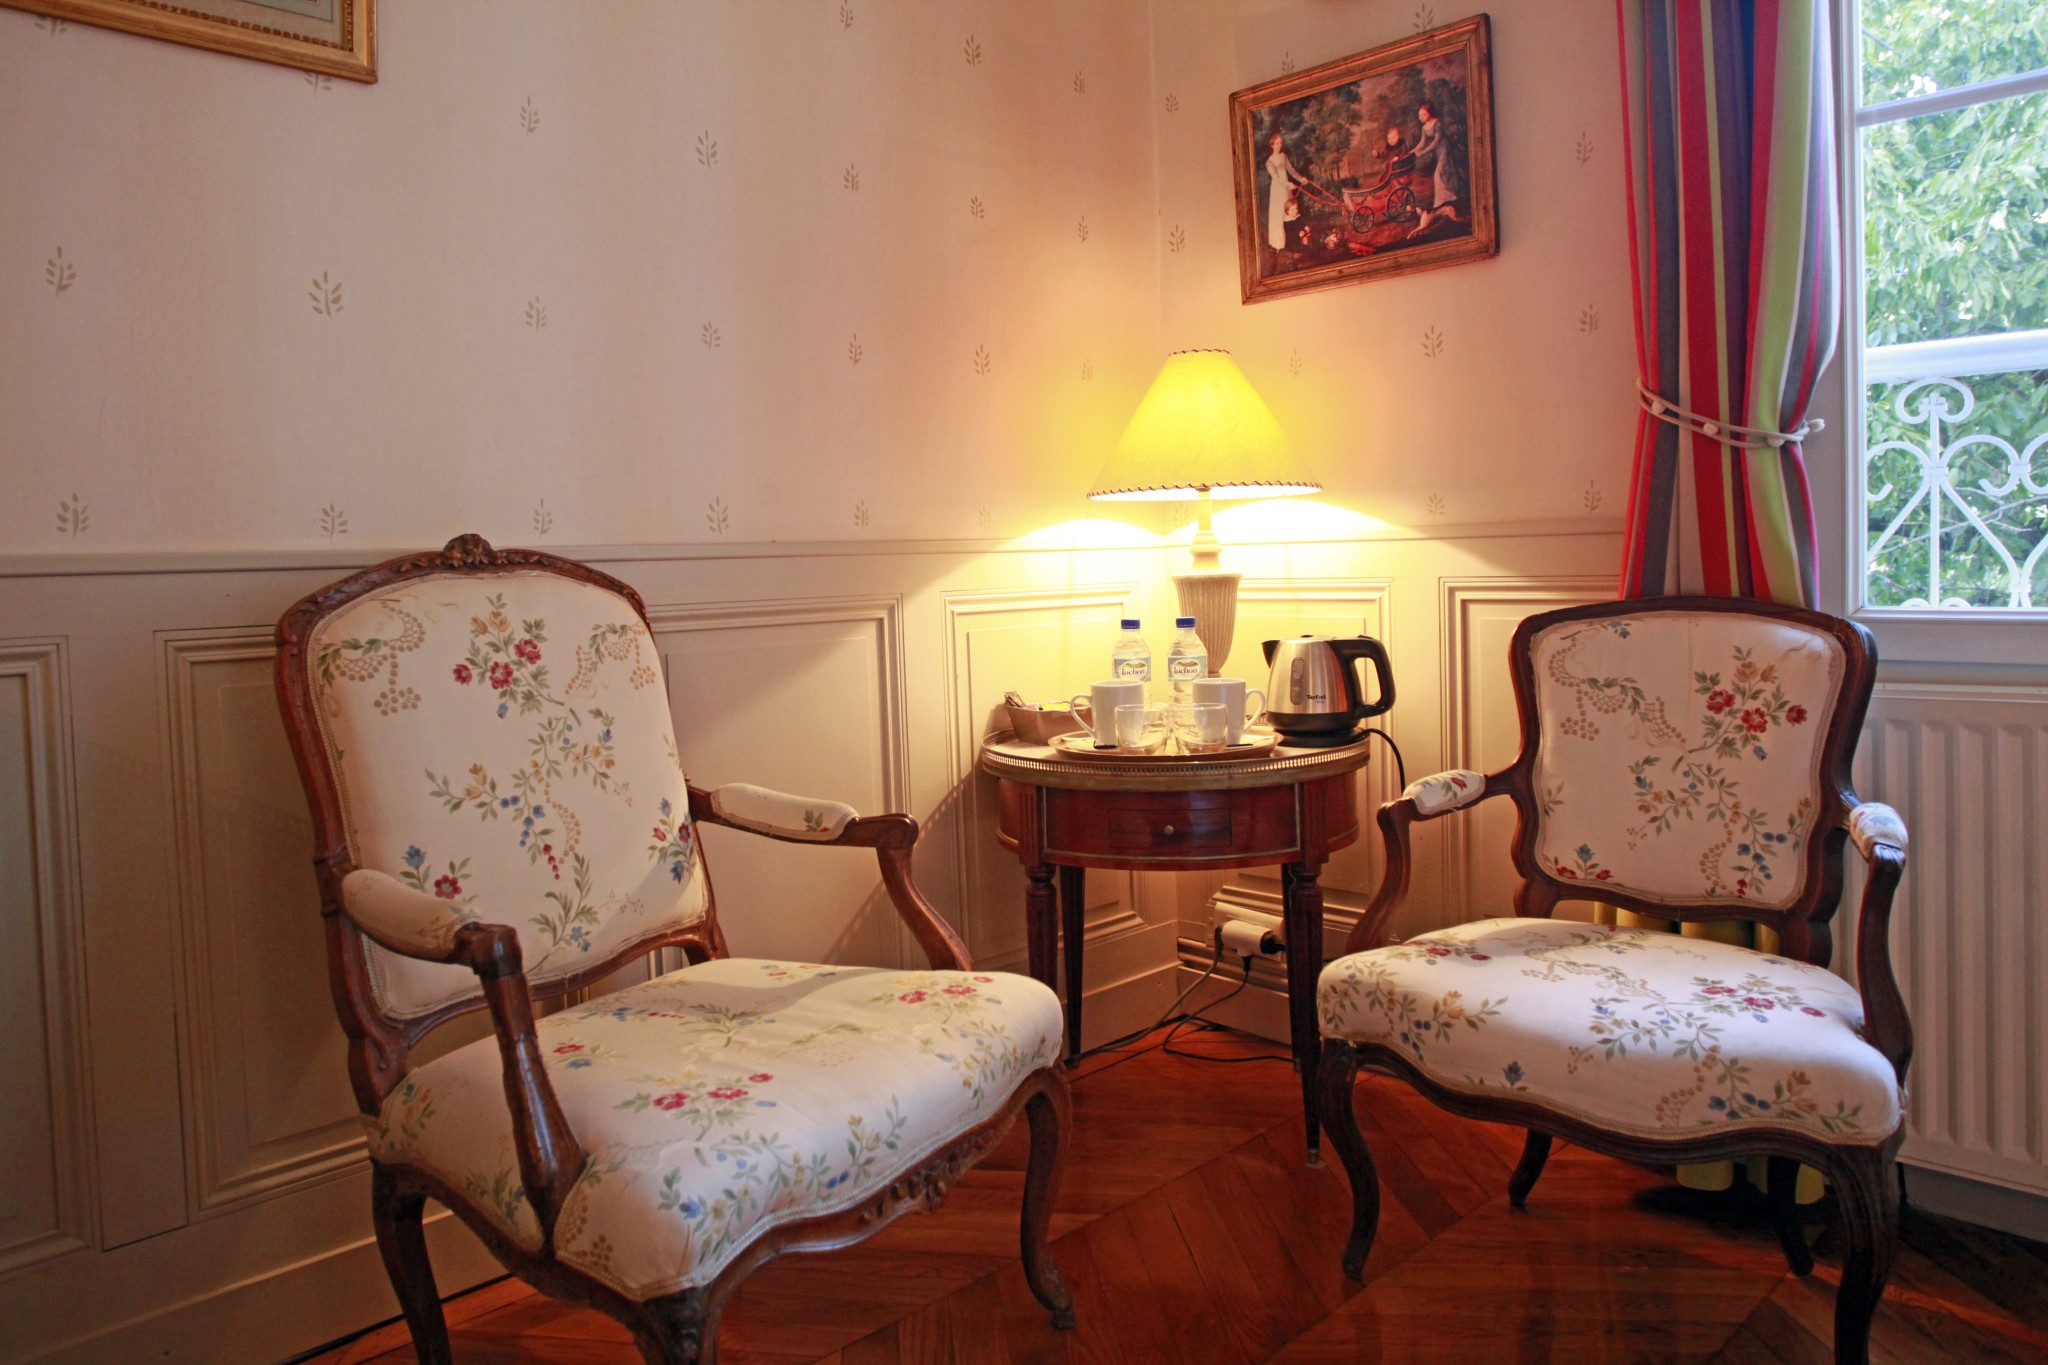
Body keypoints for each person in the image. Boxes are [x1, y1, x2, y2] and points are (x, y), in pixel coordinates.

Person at [1406, 100, 1466, 239]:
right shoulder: (1424, 127)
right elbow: (1422, 142)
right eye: (1419, 115)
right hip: (1436, 152)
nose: (1421, 117)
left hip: (1444, 150)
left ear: (1430, 113)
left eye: (1423, 114)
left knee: (1439, 174)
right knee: (1438, 174)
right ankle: (1444, 202)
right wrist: (1414, 150)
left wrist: (1423, 152)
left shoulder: (1438, 123)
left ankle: (1443, 201)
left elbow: (1437, 141)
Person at [1263, 132, 1312, 251]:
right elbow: (1276, 178)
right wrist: (1288, 184)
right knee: (1279, 214)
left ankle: (1293, 242)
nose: (1279, 145)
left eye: (1280, 143)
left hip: (1286, 189)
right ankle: (1278, 244)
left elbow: (1291, 171)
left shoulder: (1283, 156)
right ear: (1272, 145)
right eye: (1277, 143)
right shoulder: (1269, 162)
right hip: (1278, 189)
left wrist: (1301, 178)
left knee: (1290, 212)